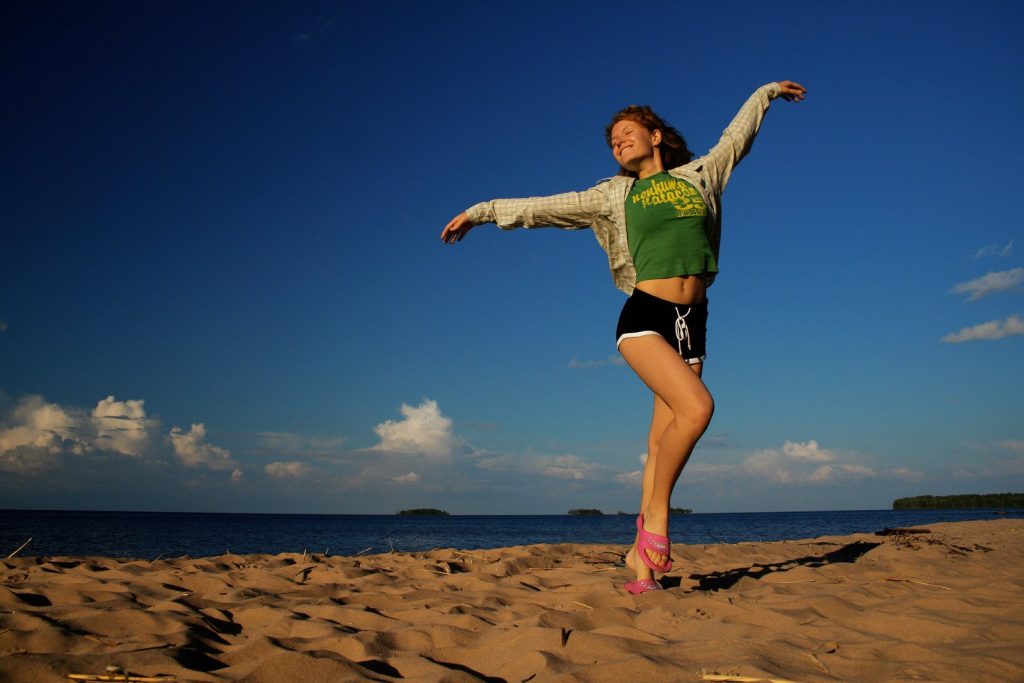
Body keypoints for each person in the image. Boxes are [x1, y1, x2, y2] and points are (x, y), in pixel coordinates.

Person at [441, 80, 807, 594]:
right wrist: (481, 212)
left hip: (693, 323)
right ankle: (655, 519)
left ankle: (642, 568)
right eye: (613, 140)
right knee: (698, 410)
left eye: (627, 133)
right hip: (645, 316)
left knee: (661, 442)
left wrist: (765, 93)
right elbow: (541, 208)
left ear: (656, 136)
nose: (619, 143)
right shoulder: (614, 195)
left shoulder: (701, 174)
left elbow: (735, 138)